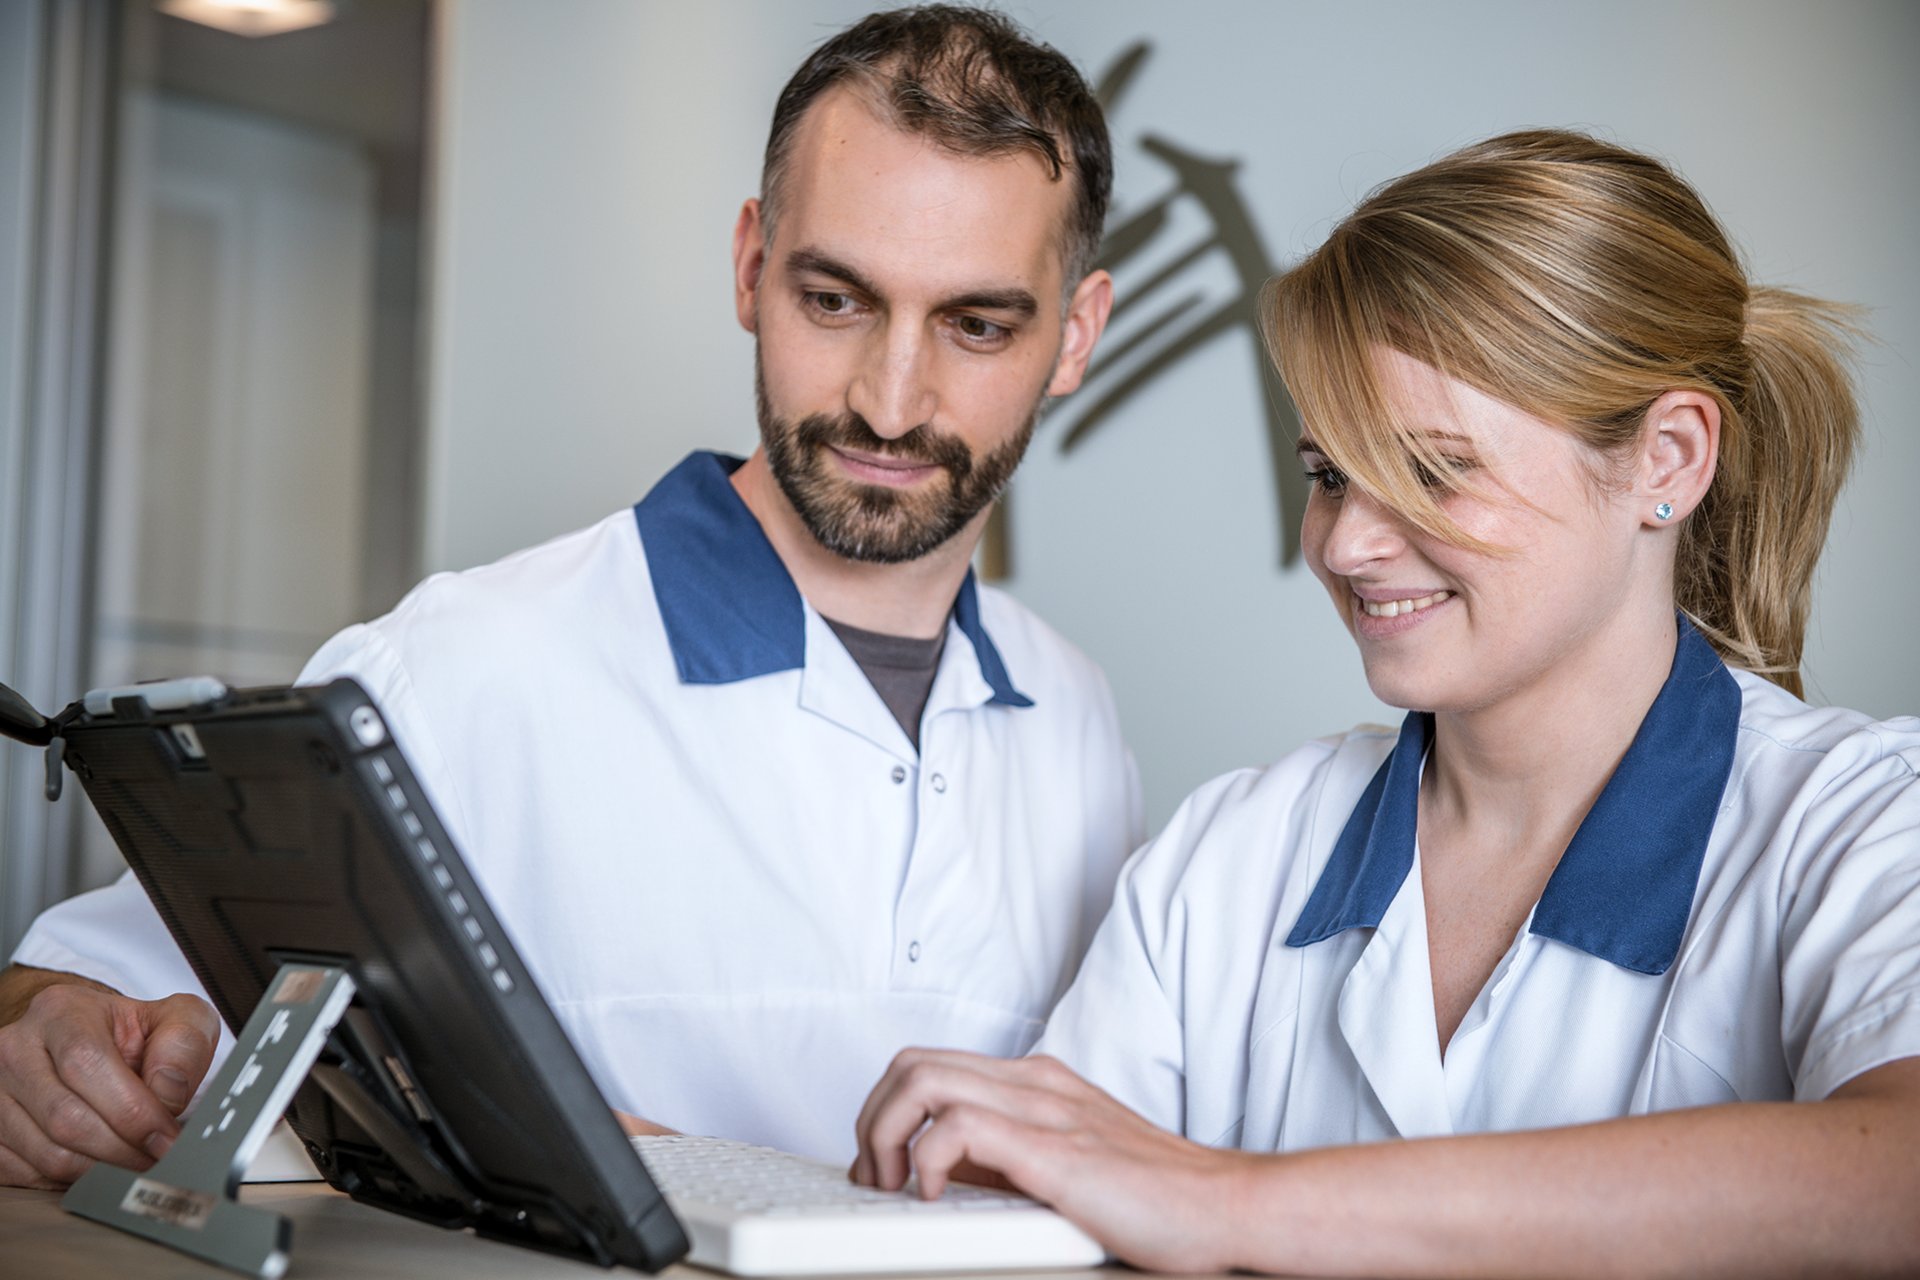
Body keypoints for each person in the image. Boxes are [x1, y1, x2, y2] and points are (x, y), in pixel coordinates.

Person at [0, 6, 1143, 1189]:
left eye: (976, 324)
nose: (892, 401)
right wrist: (55, 1031)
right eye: (837, 300)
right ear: (752, 268)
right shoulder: (465, 667)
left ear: (1074, 336)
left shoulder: (1077, 722)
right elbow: (97, 991)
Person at [852, 130, 1920, 1275]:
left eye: (1431, 469)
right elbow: (1039, 1225)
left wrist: (1237, 1203)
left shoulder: (1857, 822)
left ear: (1666, 457)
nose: (1346, 543)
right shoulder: (1232, 855)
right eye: (1327, 475)